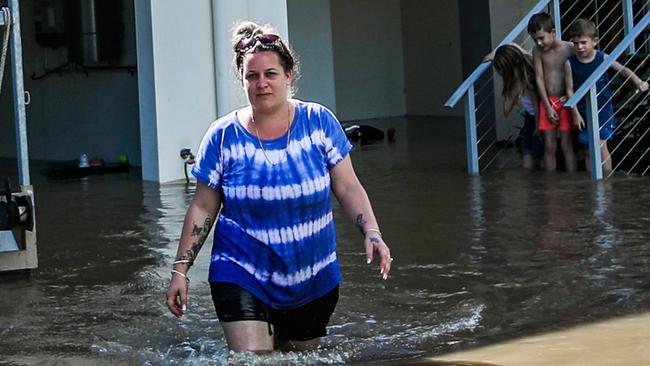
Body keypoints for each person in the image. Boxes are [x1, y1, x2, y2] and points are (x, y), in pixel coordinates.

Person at [165, 21, 393, 353]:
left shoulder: (319, 122)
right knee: (253, 360)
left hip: (311, 273)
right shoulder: (223, 135)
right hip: (241, 269)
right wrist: (180, 270)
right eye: (252, 76)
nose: (261, 83)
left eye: (270, 74)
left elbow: (347, 187)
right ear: (242, 81)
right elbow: (203, 206)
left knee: (299, 356)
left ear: (288, 75)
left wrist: (372, 232)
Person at [564, 18, 649, 174]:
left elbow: (622, 69)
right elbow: (570, 89)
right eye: (575, 43)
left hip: (603, 109)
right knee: (588, 149)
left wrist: (638, 82)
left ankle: (606, 181)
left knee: (601, 146)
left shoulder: (601, 57)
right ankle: (593, 182)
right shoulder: (570, 63)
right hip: (583, 110)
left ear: (594, 41)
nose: (579, 47)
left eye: (583, 42)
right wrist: (574, 113)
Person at [528, 12, 577, 172]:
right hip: (547, 102)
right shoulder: (537, 52)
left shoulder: (569, 48)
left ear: (553, 32)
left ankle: (573, 182)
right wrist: (547, 106)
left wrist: (573, 98)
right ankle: (551, 188)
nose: (539, 43)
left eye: (542, 38)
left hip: (566, 102)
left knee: (567, 145)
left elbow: (583, 66)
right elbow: (539, 79)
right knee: (549, 146)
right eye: (535, 39)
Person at [487, 43, 543, 169]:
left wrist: (538, 127)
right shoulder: (517, 77)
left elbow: (537, 105)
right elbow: (487, 58)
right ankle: (534, 180)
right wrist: (493, 56)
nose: (501, 73)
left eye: (503, 70)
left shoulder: (528, 78)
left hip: (537, 117)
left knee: (533, 151)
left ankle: (535, 179)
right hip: (530, 116)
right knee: (527, 150)